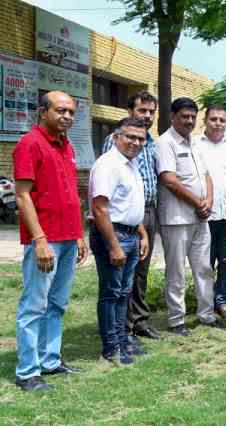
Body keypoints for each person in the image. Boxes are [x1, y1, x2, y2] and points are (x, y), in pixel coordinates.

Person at [13, 91, 89, 391]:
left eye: (71, 112)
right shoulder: (29, 144)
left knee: (57, 303)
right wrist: (40, 240)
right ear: (42, 112)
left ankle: (50, 360)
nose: (67, 117)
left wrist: (79, 234)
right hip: (45, 241)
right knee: (34, 305)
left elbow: (69, 194)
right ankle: (27, 371)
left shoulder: (65, 145)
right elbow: (22, 196)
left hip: (68, 237)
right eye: (61, 111)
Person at [89, 117, 149, 365]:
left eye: (141, 138)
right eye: (130, 137)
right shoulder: (108, 165)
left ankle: (123, 341)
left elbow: (130, 205)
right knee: (111, 293)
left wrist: (142, 234)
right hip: (112, 235)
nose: (136, 142)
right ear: (116, 137)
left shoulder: (130, 164)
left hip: (130, 234)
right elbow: (100, 208)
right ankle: (111, 348)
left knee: (124, 293)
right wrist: (113, 245)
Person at [156, 97, 217, 336]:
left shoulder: (195, 144)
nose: (189, 121)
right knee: (176, 271)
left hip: (201, 218)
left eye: (192, 117)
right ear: (173, 117)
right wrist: (197, 202)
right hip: (177, 219)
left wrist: (208, 202)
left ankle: (206, 314)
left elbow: (207, 177)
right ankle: (176, 320)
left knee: (204, 268)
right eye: (184, 116)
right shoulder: (166, 143)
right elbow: (169, 179)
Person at [102, 90, 160, 342]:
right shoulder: (116, 141)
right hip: (121, 217)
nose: (147, 116)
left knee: (141, 270)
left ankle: (138, 321)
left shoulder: (151, 141)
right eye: (142, 111)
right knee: (121, 273)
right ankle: (119, 327)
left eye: (151, 112)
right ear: (130, 112)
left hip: (147, 212)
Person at [195, 105, 226, 320]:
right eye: (213, 119)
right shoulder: (194, 144)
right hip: (202, 213)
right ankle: (205, 302)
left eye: (222, 120)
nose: (217, 123)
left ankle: (222, 301)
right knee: (205, 260)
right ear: (205, 120)